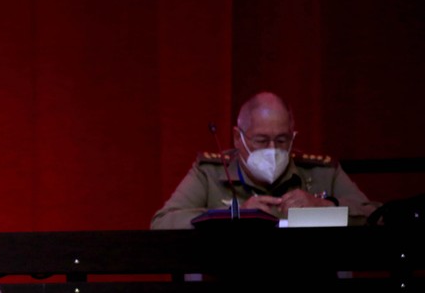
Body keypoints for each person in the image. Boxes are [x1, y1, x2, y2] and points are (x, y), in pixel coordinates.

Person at [151, 91, 381, 229]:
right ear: (237, 138)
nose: (272, 149)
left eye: (281, 140)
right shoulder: (211, 172)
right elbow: (163, 223)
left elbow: (378, 216)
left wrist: (325, 206)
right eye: (261, 140)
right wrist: (237, 215)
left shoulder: (320, 172)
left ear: (293, 136)